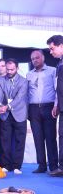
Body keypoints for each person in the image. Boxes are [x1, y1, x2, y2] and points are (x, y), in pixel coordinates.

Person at [27, 50, 58, 173]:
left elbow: (57, 90)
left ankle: (54, 166)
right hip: (33, 108)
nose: (35, 60)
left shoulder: (52, 71)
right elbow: (26, 94)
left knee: (50, 138)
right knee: (37, 138)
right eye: (33, 59)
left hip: (49, 107)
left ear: (43, 58)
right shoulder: (29, 74)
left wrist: (56, 105)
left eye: (37, 58)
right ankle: (42, 165)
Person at [0, 58, 28, 174]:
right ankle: (5, 165)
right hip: (5, 115)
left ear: (17, 68)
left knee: (20, 140)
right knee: (5, 140)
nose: (9, 72)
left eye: (12, 69)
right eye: (7, 69)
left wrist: (7, 107)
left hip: (19, 113)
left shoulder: (24, 81)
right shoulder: (1, 80)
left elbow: (20, 98)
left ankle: (17, 166)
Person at [47, 35, 63, 177]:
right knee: (62, 135)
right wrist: (57, 104)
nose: (50, 52)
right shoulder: (60, 63)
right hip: (62, 106)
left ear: (61, 45)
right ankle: (62, 167)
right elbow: (59, 87)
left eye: (52, 49)